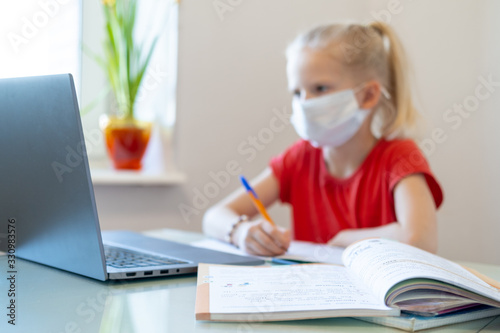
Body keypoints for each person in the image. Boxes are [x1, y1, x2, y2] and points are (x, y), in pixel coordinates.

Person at [202, 21, 443, 257]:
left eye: (320, 89)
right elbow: (214, 217)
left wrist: (346, 239)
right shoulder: (299, 158)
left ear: (368, 95)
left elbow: (419, 239)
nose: (304, 103)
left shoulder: (398, 157)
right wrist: (242, 232)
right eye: (297, 92)